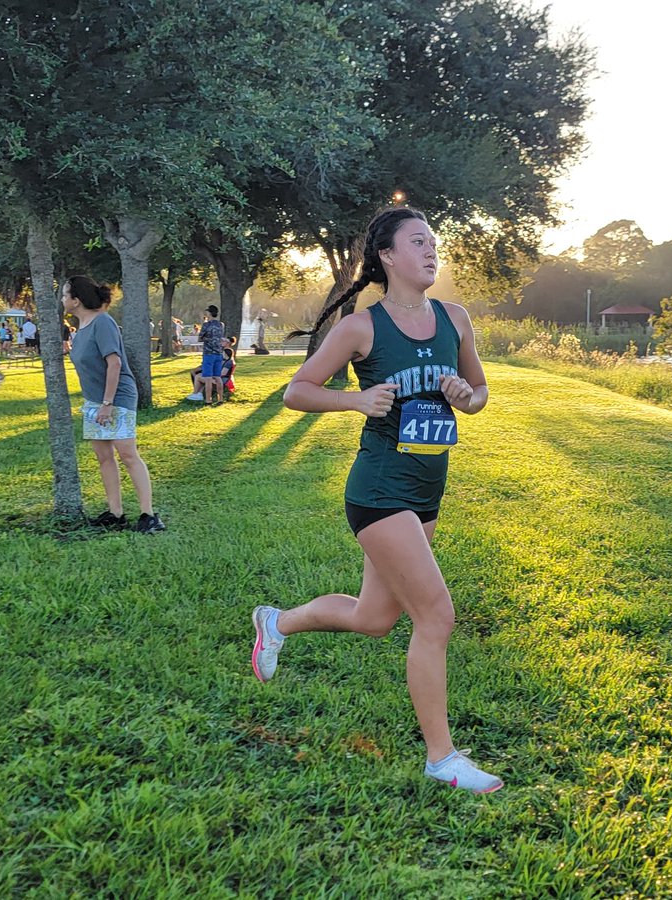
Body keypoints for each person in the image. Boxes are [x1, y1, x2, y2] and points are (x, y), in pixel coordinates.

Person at [250, 207, 499, 794]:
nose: (432, 251)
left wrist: (467, 396)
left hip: (425, 490)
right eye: (419, 242)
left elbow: (481, 393)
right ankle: (442, 757)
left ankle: (276, 622)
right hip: (379, 490)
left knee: (374, 618)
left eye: (434, 243)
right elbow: (298, 391)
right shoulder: (362, 327)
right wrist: (356, 403)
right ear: (388, 256)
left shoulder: (454, 318)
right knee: (435, 615)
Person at [62, 275, 165, 534]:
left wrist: (107, 403)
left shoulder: (103, 323)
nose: (62, 299)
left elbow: (115, 363)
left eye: (65, 295)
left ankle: (149, 515)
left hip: (116, 398)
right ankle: (115, 513)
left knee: (128, 454)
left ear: (76, 300)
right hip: (94, 401)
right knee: (104, 457)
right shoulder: (81, 328)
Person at [198, 305, 226, 404]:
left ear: (209, 313)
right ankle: (220, 398)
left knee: (208, 378)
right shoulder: (221, 325)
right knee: (217, 377)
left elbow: (200, 338)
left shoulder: (206, 325)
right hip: (218, 353)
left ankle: (208, 399)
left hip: (208, 353)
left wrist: (206, 338)